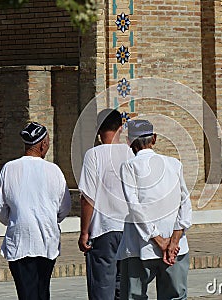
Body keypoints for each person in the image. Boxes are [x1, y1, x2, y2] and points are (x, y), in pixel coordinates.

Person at [0, 121, 71, 300]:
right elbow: (64, 207)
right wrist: (49, 218)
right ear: (43, 144)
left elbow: (0, 208)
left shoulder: (9, 169)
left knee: (26, 292)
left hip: (19, 238)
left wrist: (16, 218)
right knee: (42, 291)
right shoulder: (54, 170)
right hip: (47, 239)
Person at [117, 119, 192, 300]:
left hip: (140, 246)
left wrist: (158, 239)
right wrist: (173, 241)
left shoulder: (129, 166)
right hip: (175, 249)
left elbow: (135, 207)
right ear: (155, 138)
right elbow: (185, 203)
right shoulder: (174, 164)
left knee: (134, 296)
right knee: (175, 296)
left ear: (129, 142)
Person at [78, 109, 134, 300]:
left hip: (104, 230)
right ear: (121, 127)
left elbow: (87, 198)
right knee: (125, 288)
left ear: (98, 130)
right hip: (129, 230)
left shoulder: (93, 155)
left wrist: (84, 232)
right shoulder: (130, 153)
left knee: (102, 288)